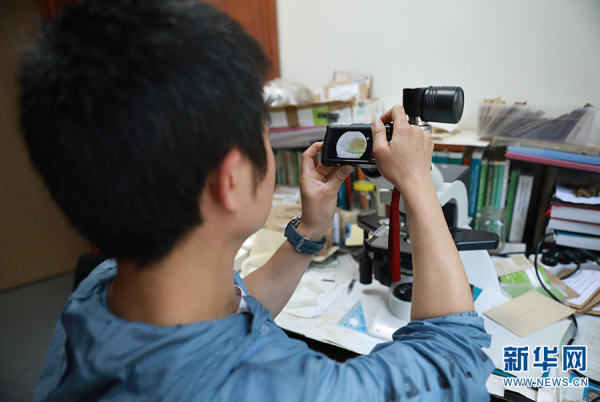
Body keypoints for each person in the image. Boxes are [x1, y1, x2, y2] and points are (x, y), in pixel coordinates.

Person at [21, 0, 494, 400]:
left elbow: (239, 305)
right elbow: (455, 353)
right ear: (230, 180)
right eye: (263, 137)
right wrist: (418, 184)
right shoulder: (287, 388)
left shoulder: (103, 287)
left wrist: (310, 229)